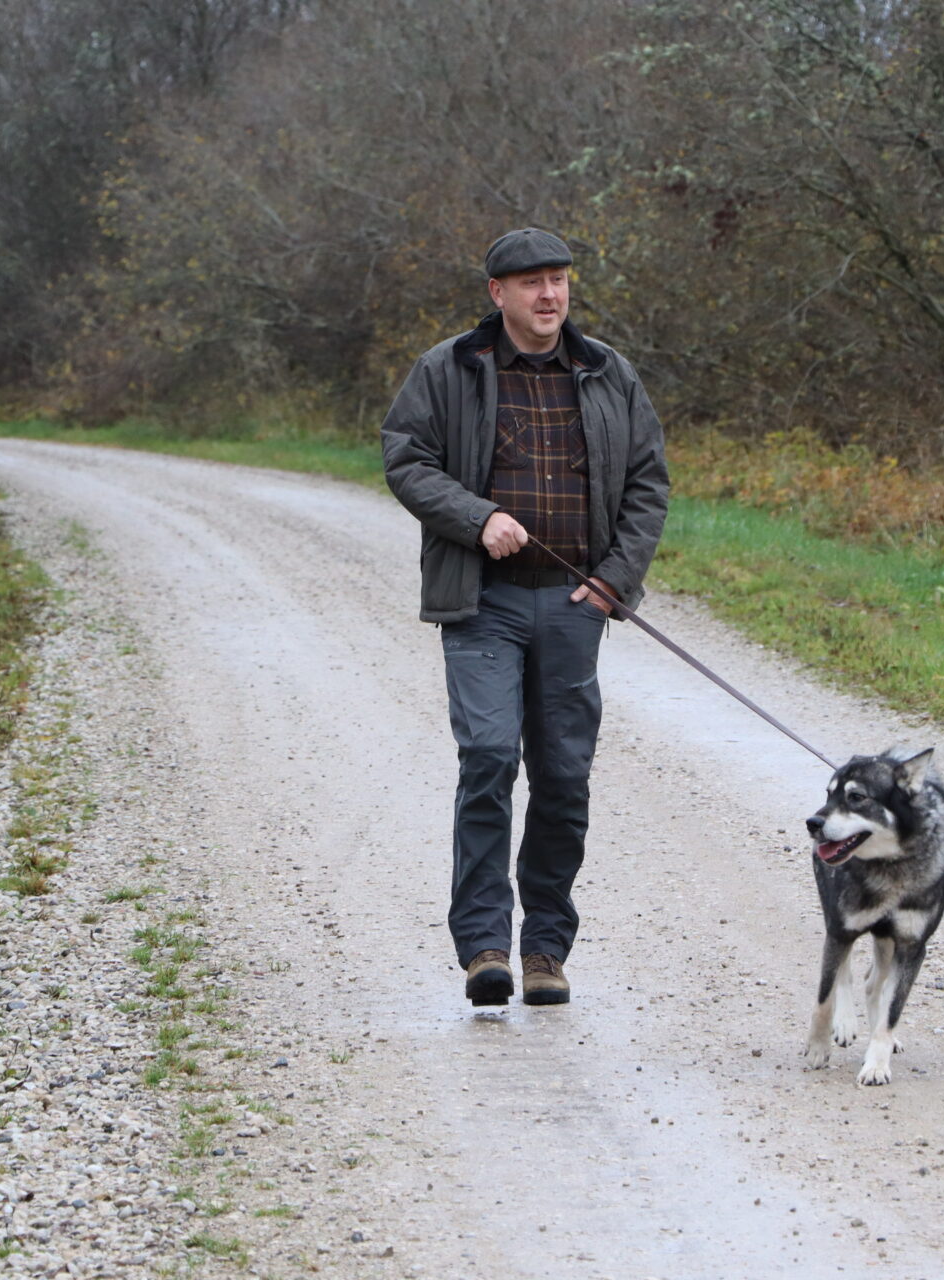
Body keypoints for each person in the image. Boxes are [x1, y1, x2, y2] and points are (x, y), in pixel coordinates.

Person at [381, 227, 670, 1008]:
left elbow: (648, 483)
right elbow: (406, 459)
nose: (550, 295)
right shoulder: (448, 370)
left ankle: (544, 948)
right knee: (486, 759)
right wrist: (476, 518)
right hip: (483, 601)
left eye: (560, 280)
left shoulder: (607, 372)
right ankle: (483, 946)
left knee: (565, 778)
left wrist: (614, 581)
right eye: (532, 282)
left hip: (577, 605)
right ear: (497, 293)